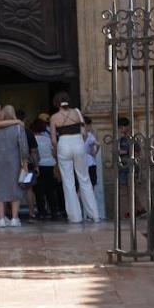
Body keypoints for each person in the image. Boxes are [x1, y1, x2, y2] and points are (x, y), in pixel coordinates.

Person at [50, 91, 101, 223]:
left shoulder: (54, 117)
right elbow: (84, 132)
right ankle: (94, 215)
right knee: (84, 179)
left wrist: (57, 152)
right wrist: (80, 143)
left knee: (68, 182)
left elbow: (54, 140)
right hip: (78, 143)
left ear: (56, 103)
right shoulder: (77, 112)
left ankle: (75, 217)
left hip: (63, 145)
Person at [0, 105, 28, 227]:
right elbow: (23, 147)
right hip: (14, 161)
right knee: (15, 189)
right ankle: (14, 219)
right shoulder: (18, 127)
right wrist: (25, 163)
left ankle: (2, 219)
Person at [116, 116, 148, 218]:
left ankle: (137, 209)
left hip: (131, 166)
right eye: (119, 128)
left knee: (131, 189)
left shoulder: (133, 139)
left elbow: (138, 153)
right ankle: (132, 210)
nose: (121, 130)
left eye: (122, 127)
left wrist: (125, 152)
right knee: (124, 190)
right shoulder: (120, 140)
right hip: (122, 167)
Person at [31, 118, 58, 220]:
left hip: (39, 166)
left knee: (39, 191)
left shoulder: (32, 139)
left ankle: (42, 212)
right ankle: (54, 212)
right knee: (50, 191)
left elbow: (33, 153)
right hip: (50, 165)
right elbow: (54, 153)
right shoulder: (48, 139)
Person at [16, 109, 39, 218]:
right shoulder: (28, 132)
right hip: (28, 164)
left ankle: (12, 214)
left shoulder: (10, 131)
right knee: (29, 188)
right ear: (24, 119)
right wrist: (36, 165)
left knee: (11, 188)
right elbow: (34, 150)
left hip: (13, 164)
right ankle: (31, 212)